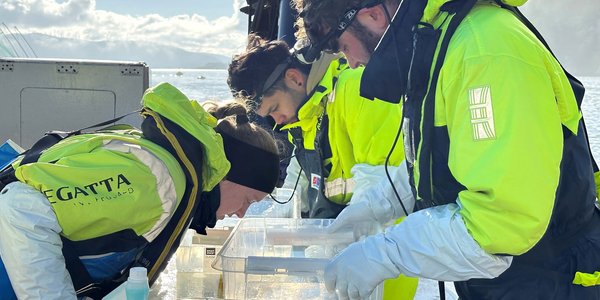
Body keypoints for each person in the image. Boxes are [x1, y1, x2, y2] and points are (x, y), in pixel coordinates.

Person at [297, 0, 600, 299]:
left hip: (554, 282)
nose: (350, 64)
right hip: (508, 284)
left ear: (373, 15)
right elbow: (443, 158)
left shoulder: (483, 52)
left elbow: (500, 224)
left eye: (344, 47)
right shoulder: (442, 40)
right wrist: (379, 203)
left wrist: (386, 253)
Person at [0, 82, 280, 299]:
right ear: (227, 174)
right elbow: (20, 206)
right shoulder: (157, 182)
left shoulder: (175, 180)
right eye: (248, 199)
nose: (242, 213)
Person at [228, 35, 418, 299]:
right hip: (342, 260)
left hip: (380, 266)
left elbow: (384, 186)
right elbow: (298, 190)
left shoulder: (357, 87)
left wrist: (346, 266)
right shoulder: (306, 119)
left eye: (275, 108)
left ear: (294, 78)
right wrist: (265, 233)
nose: (278, 121)